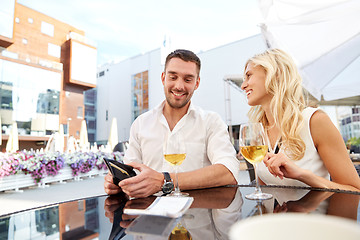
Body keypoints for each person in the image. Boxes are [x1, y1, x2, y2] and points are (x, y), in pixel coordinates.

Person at [104, 49, 239, 198]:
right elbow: (130, 173)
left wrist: (164, 180)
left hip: (197, 214)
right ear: (163, 78)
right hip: (150, 216)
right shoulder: (140, 124)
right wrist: (118, 183)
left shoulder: (211, 122)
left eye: (188, 79)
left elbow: (229, 171)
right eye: (173, 77)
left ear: (197, 83)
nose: (179, 86)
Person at [240, 48, 360, 191]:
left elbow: (354, 189)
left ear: (275, 75)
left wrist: (302, 175)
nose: (243, 85)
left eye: (249, 76)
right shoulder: (260, 130)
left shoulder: (315, 121)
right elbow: (265, 190)